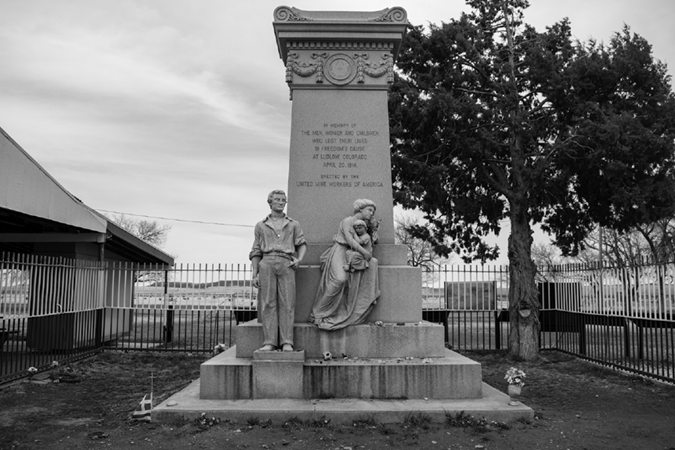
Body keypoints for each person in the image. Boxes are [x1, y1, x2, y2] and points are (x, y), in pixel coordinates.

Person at [310, 199, 381, 330]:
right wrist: (364, 252)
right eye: (369, 210)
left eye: (373, 211)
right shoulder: (348, 221)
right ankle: (318, 313)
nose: (371, 213)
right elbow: (350, 241)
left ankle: (353, 308)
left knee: (369, 266)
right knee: (339, 279)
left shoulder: (365, 226)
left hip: (353, 254)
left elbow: (370, 242)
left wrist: (373, 231)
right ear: (360, 209)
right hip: (341, 250)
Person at [250, 190, 306, 352]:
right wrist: (255, 273)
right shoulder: (261, 225)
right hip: (266, 262)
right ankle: (270, 342)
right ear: (270, 202)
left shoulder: (293, 224)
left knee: (287, 303)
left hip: (286, 263)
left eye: (283, 200)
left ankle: (287, 341)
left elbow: (301, 243)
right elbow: (255, 250)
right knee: (268, 303)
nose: (281, 202)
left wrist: (299, 259)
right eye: (277, 200)